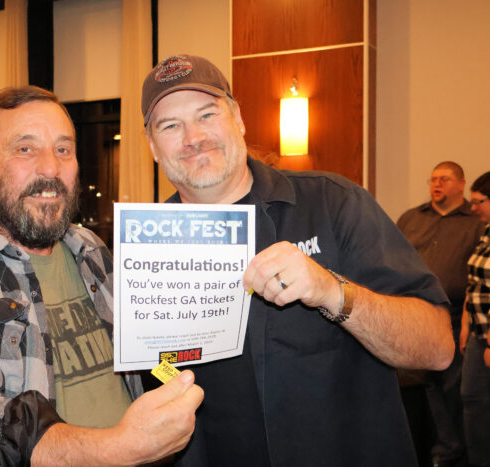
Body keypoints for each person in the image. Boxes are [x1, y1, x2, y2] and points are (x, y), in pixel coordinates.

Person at [141, 54, 454, 466]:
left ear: (238, 118)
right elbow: (149, 381)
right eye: (170, 125)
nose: (193, 137)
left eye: (207, 114)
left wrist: (332, 291)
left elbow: (437, 348)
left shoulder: (333, 203)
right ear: (153, 147)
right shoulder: (146, 252)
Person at [0, 86, 203, 466]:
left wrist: (182, 366)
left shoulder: (91, 249)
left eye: (63, 149)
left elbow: (140, 357)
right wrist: (120, 448)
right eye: (25, 149)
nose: (50, 168)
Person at [397, 161, 484, 466]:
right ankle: (441, 453)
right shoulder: (412, 218)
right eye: (433, 179)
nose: (436, 184)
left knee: (456, 390)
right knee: (428, 388)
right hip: (412, 314)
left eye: (444, 179)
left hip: (457, 317)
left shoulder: (476, 222)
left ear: (461, 184)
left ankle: (460, 454)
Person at [459, 171, 490, 467]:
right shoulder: (486, 232)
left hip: (489, 336)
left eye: (479, 201)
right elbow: (476, 282)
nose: (473, 208)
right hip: (477, 332)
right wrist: (465, 325)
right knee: (472, 399)